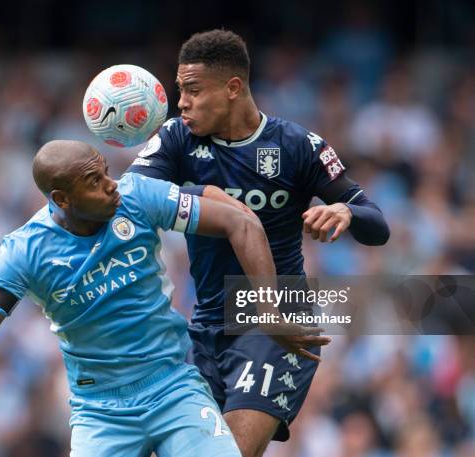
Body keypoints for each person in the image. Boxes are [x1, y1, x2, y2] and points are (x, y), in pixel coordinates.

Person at [0, 140, 327, 456]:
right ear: (61, 198)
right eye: (93, 181)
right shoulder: (24, 252)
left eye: (105, 170)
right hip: (99, 410)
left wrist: (270, 311)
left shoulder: (136, 197)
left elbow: (240, 222)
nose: (110, 185)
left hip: (172, 385)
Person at [128, 29, 391, 457]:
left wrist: (346, 211)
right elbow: (130, 197)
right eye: (180, 91)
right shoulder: (177, 140)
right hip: (205, 321)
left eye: (193, 90)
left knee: (228, 451)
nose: (182, 103)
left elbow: (377, 225)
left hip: (276, 318)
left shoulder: (298, 146)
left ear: (233, 88)